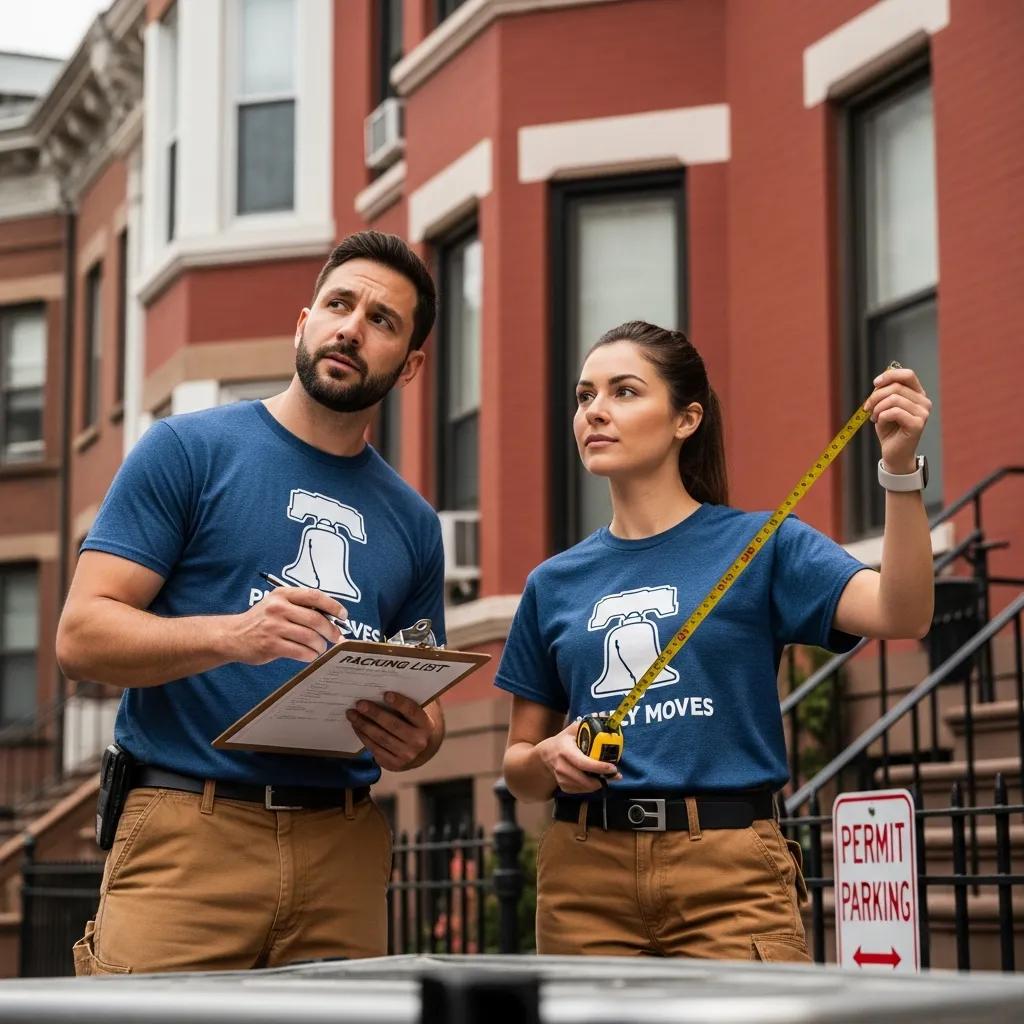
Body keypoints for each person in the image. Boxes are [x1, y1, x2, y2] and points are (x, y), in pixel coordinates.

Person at [57, 231, 446, 974]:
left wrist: (419, 737)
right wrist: (235, 635)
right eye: (338, 305)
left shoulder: (415, 524)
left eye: (381, 321)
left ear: (410, 366)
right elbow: (80, 638)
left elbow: (424, 694)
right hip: (189, 831)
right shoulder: (186, 451)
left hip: (343, 847)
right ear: (303, 323)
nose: (351, 329)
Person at [497, 320, 934, 960]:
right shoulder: (552, 583)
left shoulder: (763, 544)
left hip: (730, 876)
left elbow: (904, 612)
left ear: (686, 419)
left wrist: (898, 470)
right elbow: (519, 770)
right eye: (585, 395)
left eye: (624, 391)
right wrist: (547, 759)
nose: (595, 411)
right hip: (584, 878)